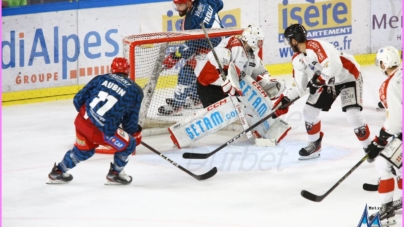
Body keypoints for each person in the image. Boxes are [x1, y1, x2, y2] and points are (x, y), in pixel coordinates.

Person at [168, 26, 290, 149]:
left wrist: (269, 82)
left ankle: (261, 129)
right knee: (218, 116)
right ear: (251, 38)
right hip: (210, 87)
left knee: (252, 98)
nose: (260, 44)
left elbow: (259, 74)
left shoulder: (252, 55)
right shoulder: (235, 43)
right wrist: (227, 75)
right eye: (259, 40)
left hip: (228, 87)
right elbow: (217, 57)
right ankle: (182, 134)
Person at [273, 24, 372, 160]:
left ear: (294, 40)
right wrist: (285, 100)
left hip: (348, 76)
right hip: (328, 81)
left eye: (288, 41)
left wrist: (318, 80)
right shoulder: (297, 59)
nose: (289, 44)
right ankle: (315, 144)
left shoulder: (316, 46)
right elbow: (300, 86)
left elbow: (334, 66)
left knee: (352, 114)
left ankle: (370, 148)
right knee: (309, 111)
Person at [47, 57, 144, 185]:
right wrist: (133, 131)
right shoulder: (135, 90)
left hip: (82, 122)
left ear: (111, 69)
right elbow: (129, 123)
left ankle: (59, 171)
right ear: (128, 71)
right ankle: (116, 174)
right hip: (103, 131)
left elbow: (77, 100)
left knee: (84, 151)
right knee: (130, 144)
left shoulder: (100, 78)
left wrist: (90, 114)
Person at [158, 0, 224, 116]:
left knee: (186, 72)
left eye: (180, 4)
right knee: (194, 69)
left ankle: (177, 106)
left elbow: (191, 46)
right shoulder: (205, 1)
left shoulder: (190, 22)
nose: (178, 8)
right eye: (176, 5)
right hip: (222, 42)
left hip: (214, 51)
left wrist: (174, 57)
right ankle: (196, 98)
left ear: (189, 3)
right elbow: (219, 4)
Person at [366, 46, 402, 225]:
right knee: (400, 165)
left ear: (385, 62)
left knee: (383, 163)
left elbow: (395, 120)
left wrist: (380, 140)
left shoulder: (390, 83)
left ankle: (386, 214)